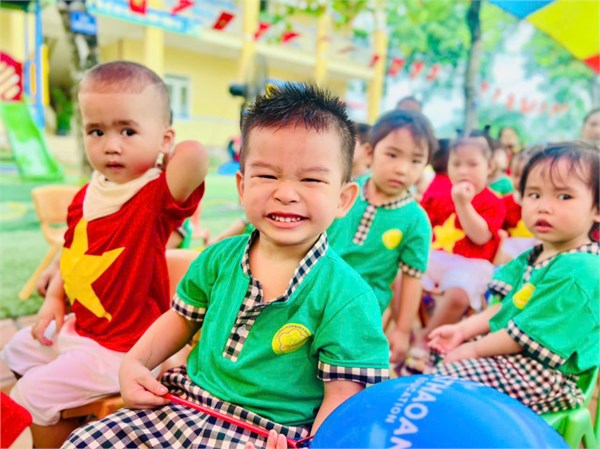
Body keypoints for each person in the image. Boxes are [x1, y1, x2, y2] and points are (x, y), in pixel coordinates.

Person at [63, 83, 390, 449]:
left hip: (267, 434)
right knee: (85, 442)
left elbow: (343, 396)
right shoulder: (218, 258)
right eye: (267, 175)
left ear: (343, 199)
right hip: (183, 406)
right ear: (242, 185)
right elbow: (181, 318)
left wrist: (313, 445)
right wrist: (134, 364)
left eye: (311, 179)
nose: (285, 193)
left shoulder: (346, 296)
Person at [1, 60, 208, 448]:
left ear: (164, 139)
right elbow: (72, 251)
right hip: (82, 328)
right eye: (96, 131)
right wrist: (54, 298)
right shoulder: (86, 194)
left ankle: (48, 435)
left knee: (30, 394)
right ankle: (65, 420)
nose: (111, 145)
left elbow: (195, 155)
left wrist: (163, 151)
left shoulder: (154, 198)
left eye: (127, 130)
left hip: (125, 349)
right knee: (16, 351)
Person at [428, 142, 599, 414]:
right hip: (511, 358)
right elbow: (506, 307)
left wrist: (474, 350)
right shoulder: (534, 256)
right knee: (441, 357)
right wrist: (463, 330)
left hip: (545, 375)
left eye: (564, 196)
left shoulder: (581, 268)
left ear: (596, 209)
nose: (544, 207)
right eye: (534, 194)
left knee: (445, 381)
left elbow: (524, 335)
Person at [327, 109, 436, 364]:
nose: (402, 169)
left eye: (415, 160)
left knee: (341, 366)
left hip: (363, 308)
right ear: (369, 153)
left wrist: (402, 330)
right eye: (392, 154)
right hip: (315, 288)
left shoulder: (416, 220)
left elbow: (412, 279)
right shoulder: (344, 190)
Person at [412, 137, 506, 370]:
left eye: (472, 164)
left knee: (458, 296)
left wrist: (463, 204)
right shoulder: (439, 194)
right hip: (435, 257)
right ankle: (405, 331)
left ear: (489, 167)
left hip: (472, 264)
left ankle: (426, 337)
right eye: (456, 164)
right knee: (401, 275)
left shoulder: (493, 202)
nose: (463, 171)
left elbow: (480, 237)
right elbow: (422, 227)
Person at [498, 149, 537, 262]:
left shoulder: (541, 204)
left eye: (525, 176)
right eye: (516, 175)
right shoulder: (504, 202)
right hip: (509, 255)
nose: (520, 181)